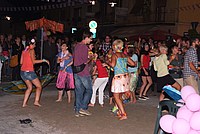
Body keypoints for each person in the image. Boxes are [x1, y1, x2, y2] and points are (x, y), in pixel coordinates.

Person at [107, 39, 135, 120]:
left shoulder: (115, 55)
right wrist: (125, 63)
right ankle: (119, 111)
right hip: (125, 76)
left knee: (116, 96)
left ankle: (123, 113)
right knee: (119, 95)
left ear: (115, 46)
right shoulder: (124, 55)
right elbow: (133, 64)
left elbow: (112, 65)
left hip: (118, 77)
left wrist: (107, 61)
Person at [20, 39, 49, 107]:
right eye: (34, 44)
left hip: (22, 72)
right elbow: (34, 61)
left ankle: (24, 103)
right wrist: (43, 60)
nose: (35, 46)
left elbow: (21, 62)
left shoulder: (24, 51)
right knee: (39, 86)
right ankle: (36, 101)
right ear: (31, 44)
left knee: (29, 87)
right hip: (29, 72)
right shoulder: (32, 50)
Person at [73, 31, 93, 117]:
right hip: (83, 72)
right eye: (90, 38)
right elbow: (85, 61)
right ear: (86, 37)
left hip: (76, 71)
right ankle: (83, 108)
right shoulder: (84, 47)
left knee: (79, 91)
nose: (91, 40)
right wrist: (91, 58)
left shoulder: (76, 46)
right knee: (89, 90)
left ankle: (77, 110)